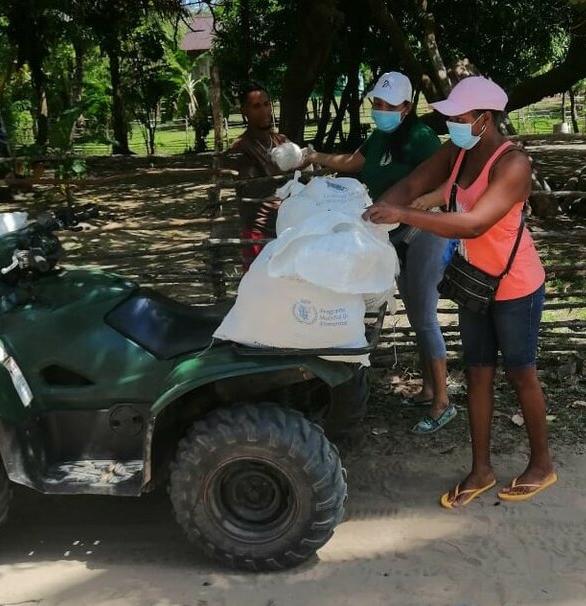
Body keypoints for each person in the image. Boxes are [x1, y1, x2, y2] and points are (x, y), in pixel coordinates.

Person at [362, 76, 556, 507]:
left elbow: (474, 223)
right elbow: (413, 182)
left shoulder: (514, 165)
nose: (452, 124)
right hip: (474, 279)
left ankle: (541, 463)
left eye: (460, 117)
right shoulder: (459, 151)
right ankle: (480, 469)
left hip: (515, 285)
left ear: (484, 120)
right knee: (477, 372)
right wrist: (372, 214)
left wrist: (404, 213)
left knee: (520, 372)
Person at [307, 71, 454, 435]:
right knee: (417, 312)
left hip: (424, 231)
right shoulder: (379, 136)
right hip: (393, 234)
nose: (380, 110)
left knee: (424, 316)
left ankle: (443, 402)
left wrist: (423, 204)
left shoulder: (421, 138)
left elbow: (446, 177)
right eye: (376, 103)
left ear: (406, 107)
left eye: (388, 105)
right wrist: (313, 157)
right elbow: (354, 163)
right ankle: (428, 389)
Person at [226, 82, 291, 269]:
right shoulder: (241, 147)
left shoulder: (282, 141)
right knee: (259, 286)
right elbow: (251, 188)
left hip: (286, 226)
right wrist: (282, 168)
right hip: (259, 231)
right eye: (256, 106)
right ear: (244, 111)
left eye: (266, 104)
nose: (264, 111)